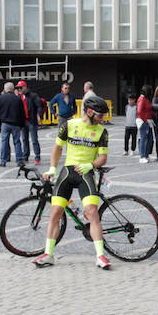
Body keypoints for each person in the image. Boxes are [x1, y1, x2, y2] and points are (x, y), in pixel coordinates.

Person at [33, 97, 112, 269]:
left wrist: (90, 165)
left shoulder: (102, 132)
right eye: (100, 116)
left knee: (92, 213)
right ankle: (48, 254)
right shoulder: (69, 125)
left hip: (86, 173)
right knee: (55, 213)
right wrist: (52, 168)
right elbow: (57, 148)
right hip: (67, 172)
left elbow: (103, 158)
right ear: (90, 112)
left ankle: (100, 256)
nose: (102, 119)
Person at [0, 82, 25, 167]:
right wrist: (21, 124)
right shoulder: (18, 99)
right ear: (13, 89)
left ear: (4, 89)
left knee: (4, 142)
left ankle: (3, 161)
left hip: (5, 123)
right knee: (17, 142)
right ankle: (19, 161)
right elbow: (22, 113)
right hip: (16, 124)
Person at [17, 80, 43, 164]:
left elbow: (39, 105)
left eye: (21, 87)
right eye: (18, 88)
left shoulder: (33, 96)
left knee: (34, 139)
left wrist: (39, 114)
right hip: (23, 122)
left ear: (25, 87)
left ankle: (37, 156)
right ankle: (26, 156)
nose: (19, 89)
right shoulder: (18, 97)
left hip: (31, 121)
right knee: (24, 140)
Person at [136, 84, 154, 163]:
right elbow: (139, 111)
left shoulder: (145, 99)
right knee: (144, 139)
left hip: (147, 121)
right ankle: (142, 156)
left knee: (150, 139)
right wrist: (145, 120)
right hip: (144, 121)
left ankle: (146, 155)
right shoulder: (142, 99)